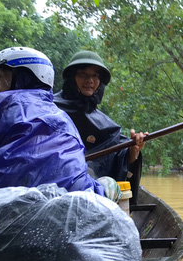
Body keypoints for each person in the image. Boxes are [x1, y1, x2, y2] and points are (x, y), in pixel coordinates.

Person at [0, 46, 108, 201]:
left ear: (24, 77)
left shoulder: (2, 102)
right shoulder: (62, 116)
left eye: (2, 78)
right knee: (107, 184)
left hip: (10, 204)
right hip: (71, 202)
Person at [53, 50, 147, 204]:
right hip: (53, 187)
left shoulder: (107, 126)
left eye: (96, 76)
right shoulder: (49, 108)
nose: (90, 80)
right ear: (72, 77)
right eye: (83, 74)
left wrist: (132, 152)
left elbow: (117, 158)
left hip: (89, 193)